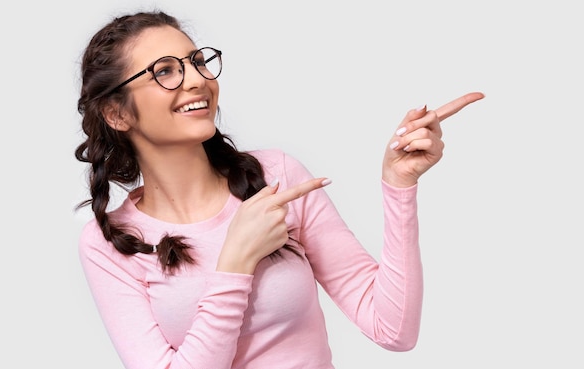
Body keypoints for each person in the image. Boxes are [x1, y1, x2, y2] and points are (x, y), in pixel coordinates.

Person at [74, 9, 484, 369]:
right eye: (164, 70)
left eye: (197, 62)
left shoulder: (276, 177)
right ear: (116, 113)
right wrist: (235, 261)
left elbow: (392, 329)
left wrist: (399, 185)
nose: (197, 80)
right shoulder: (109, 243)